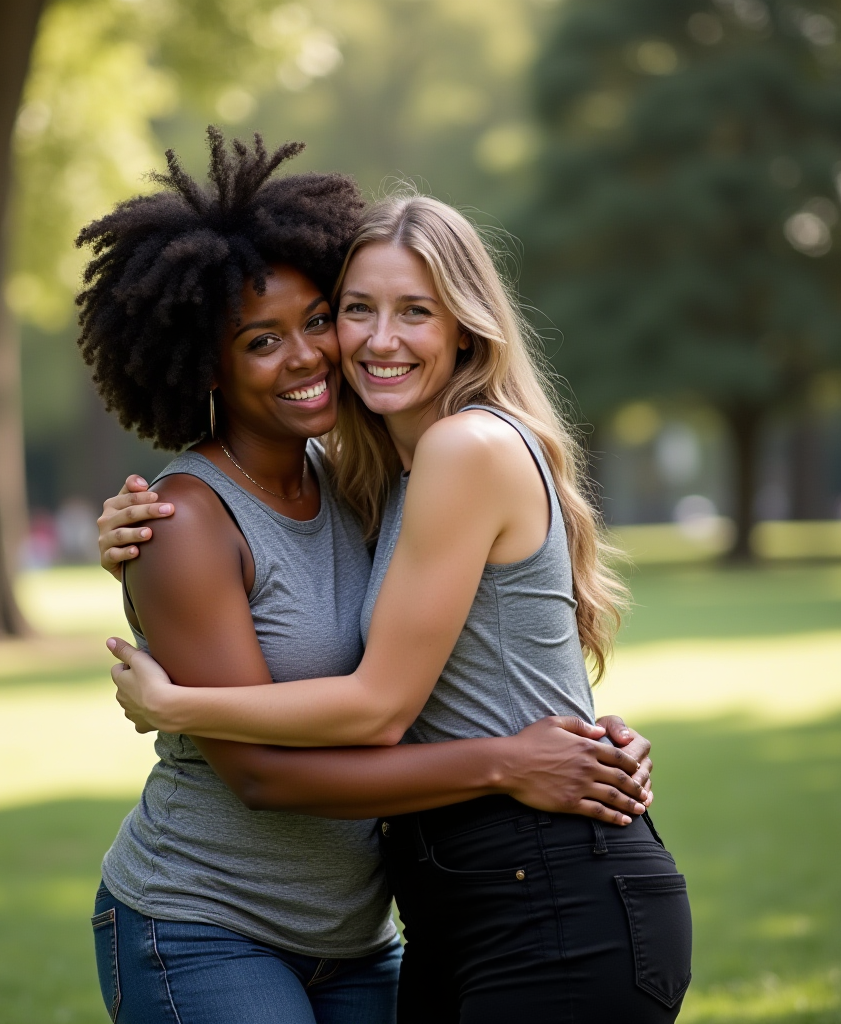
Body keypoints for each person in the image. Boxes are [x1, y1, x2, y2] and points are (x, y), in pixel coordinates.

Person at [79, 132, 653, 1024]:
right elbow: (265, 777)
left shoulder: (369, 479)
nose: (309, 355)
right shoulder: (184, 522)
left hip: (361, 938)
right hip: (205, 922)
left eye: (316, 319)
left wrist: (572, 739)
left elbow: (460, 655)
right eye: (260, 340)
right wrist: (507, 764)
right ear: (206, 365)